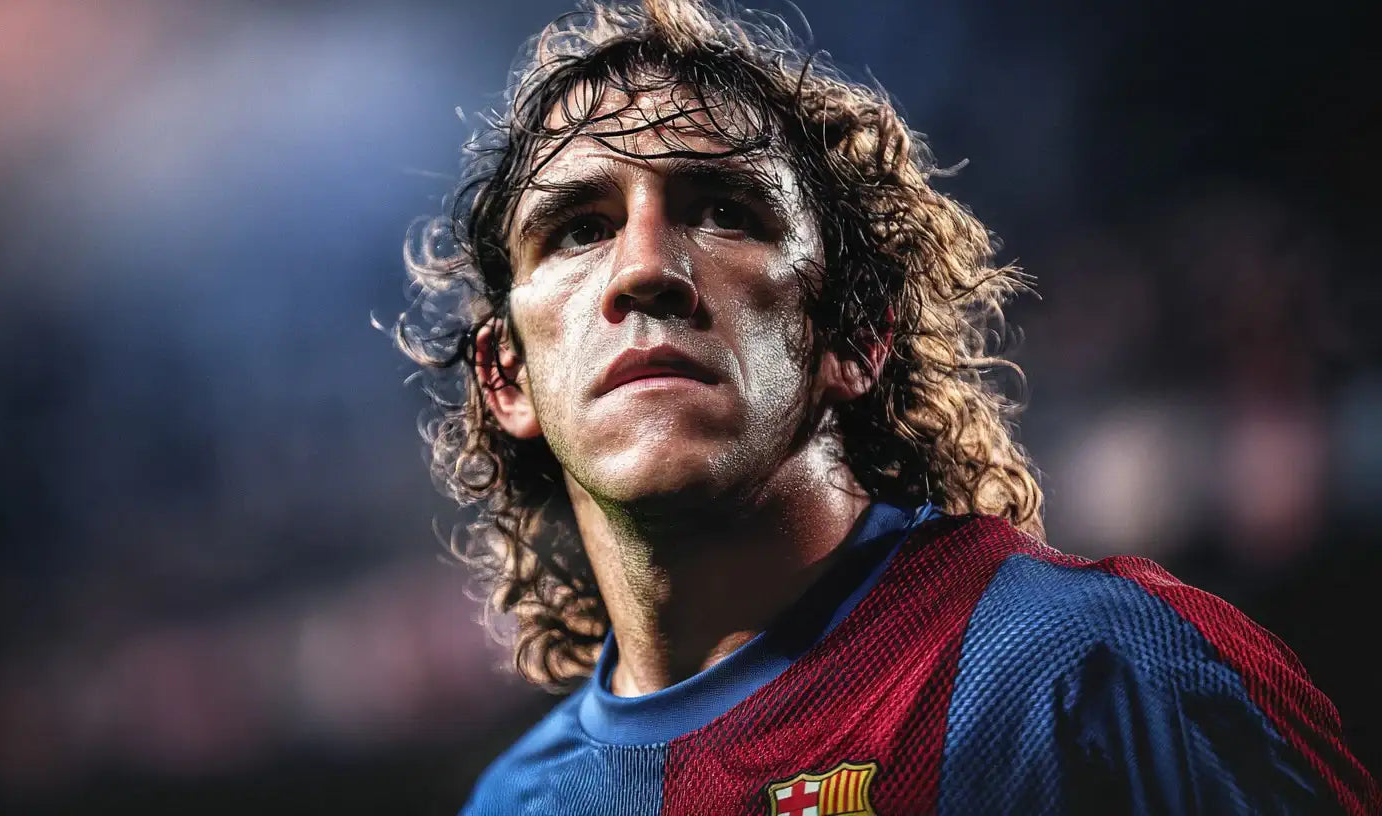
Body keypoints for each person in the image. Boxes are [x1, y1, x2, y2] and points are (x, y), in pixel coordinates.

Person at [392, 0, 1379, 812]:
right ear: (506, 377)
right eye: (576, 228)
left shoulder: (1093, 672)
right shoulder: (516, 802)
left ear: (854, 336)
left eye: (726, 211)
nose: (644, 268)